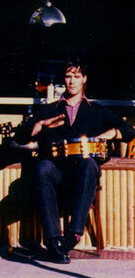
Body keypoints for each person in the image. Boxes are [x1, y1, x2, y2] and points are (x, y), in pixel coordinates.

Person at [14, 56, 135, 264]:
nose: (71, 81)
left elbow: (129, 131)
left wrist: (112, 133)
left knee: (89, 163)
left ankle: (73, 235)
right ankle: (53, 240)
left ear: (84, 79)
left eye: (76, 76)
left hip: (83, 176)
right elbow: (21, 135)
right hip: (55, 175)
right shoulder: (49, 110)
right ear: (64, 79)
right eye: (68, 76)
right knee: (42, 167)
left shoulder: (97, 110)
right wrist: (42, 125)